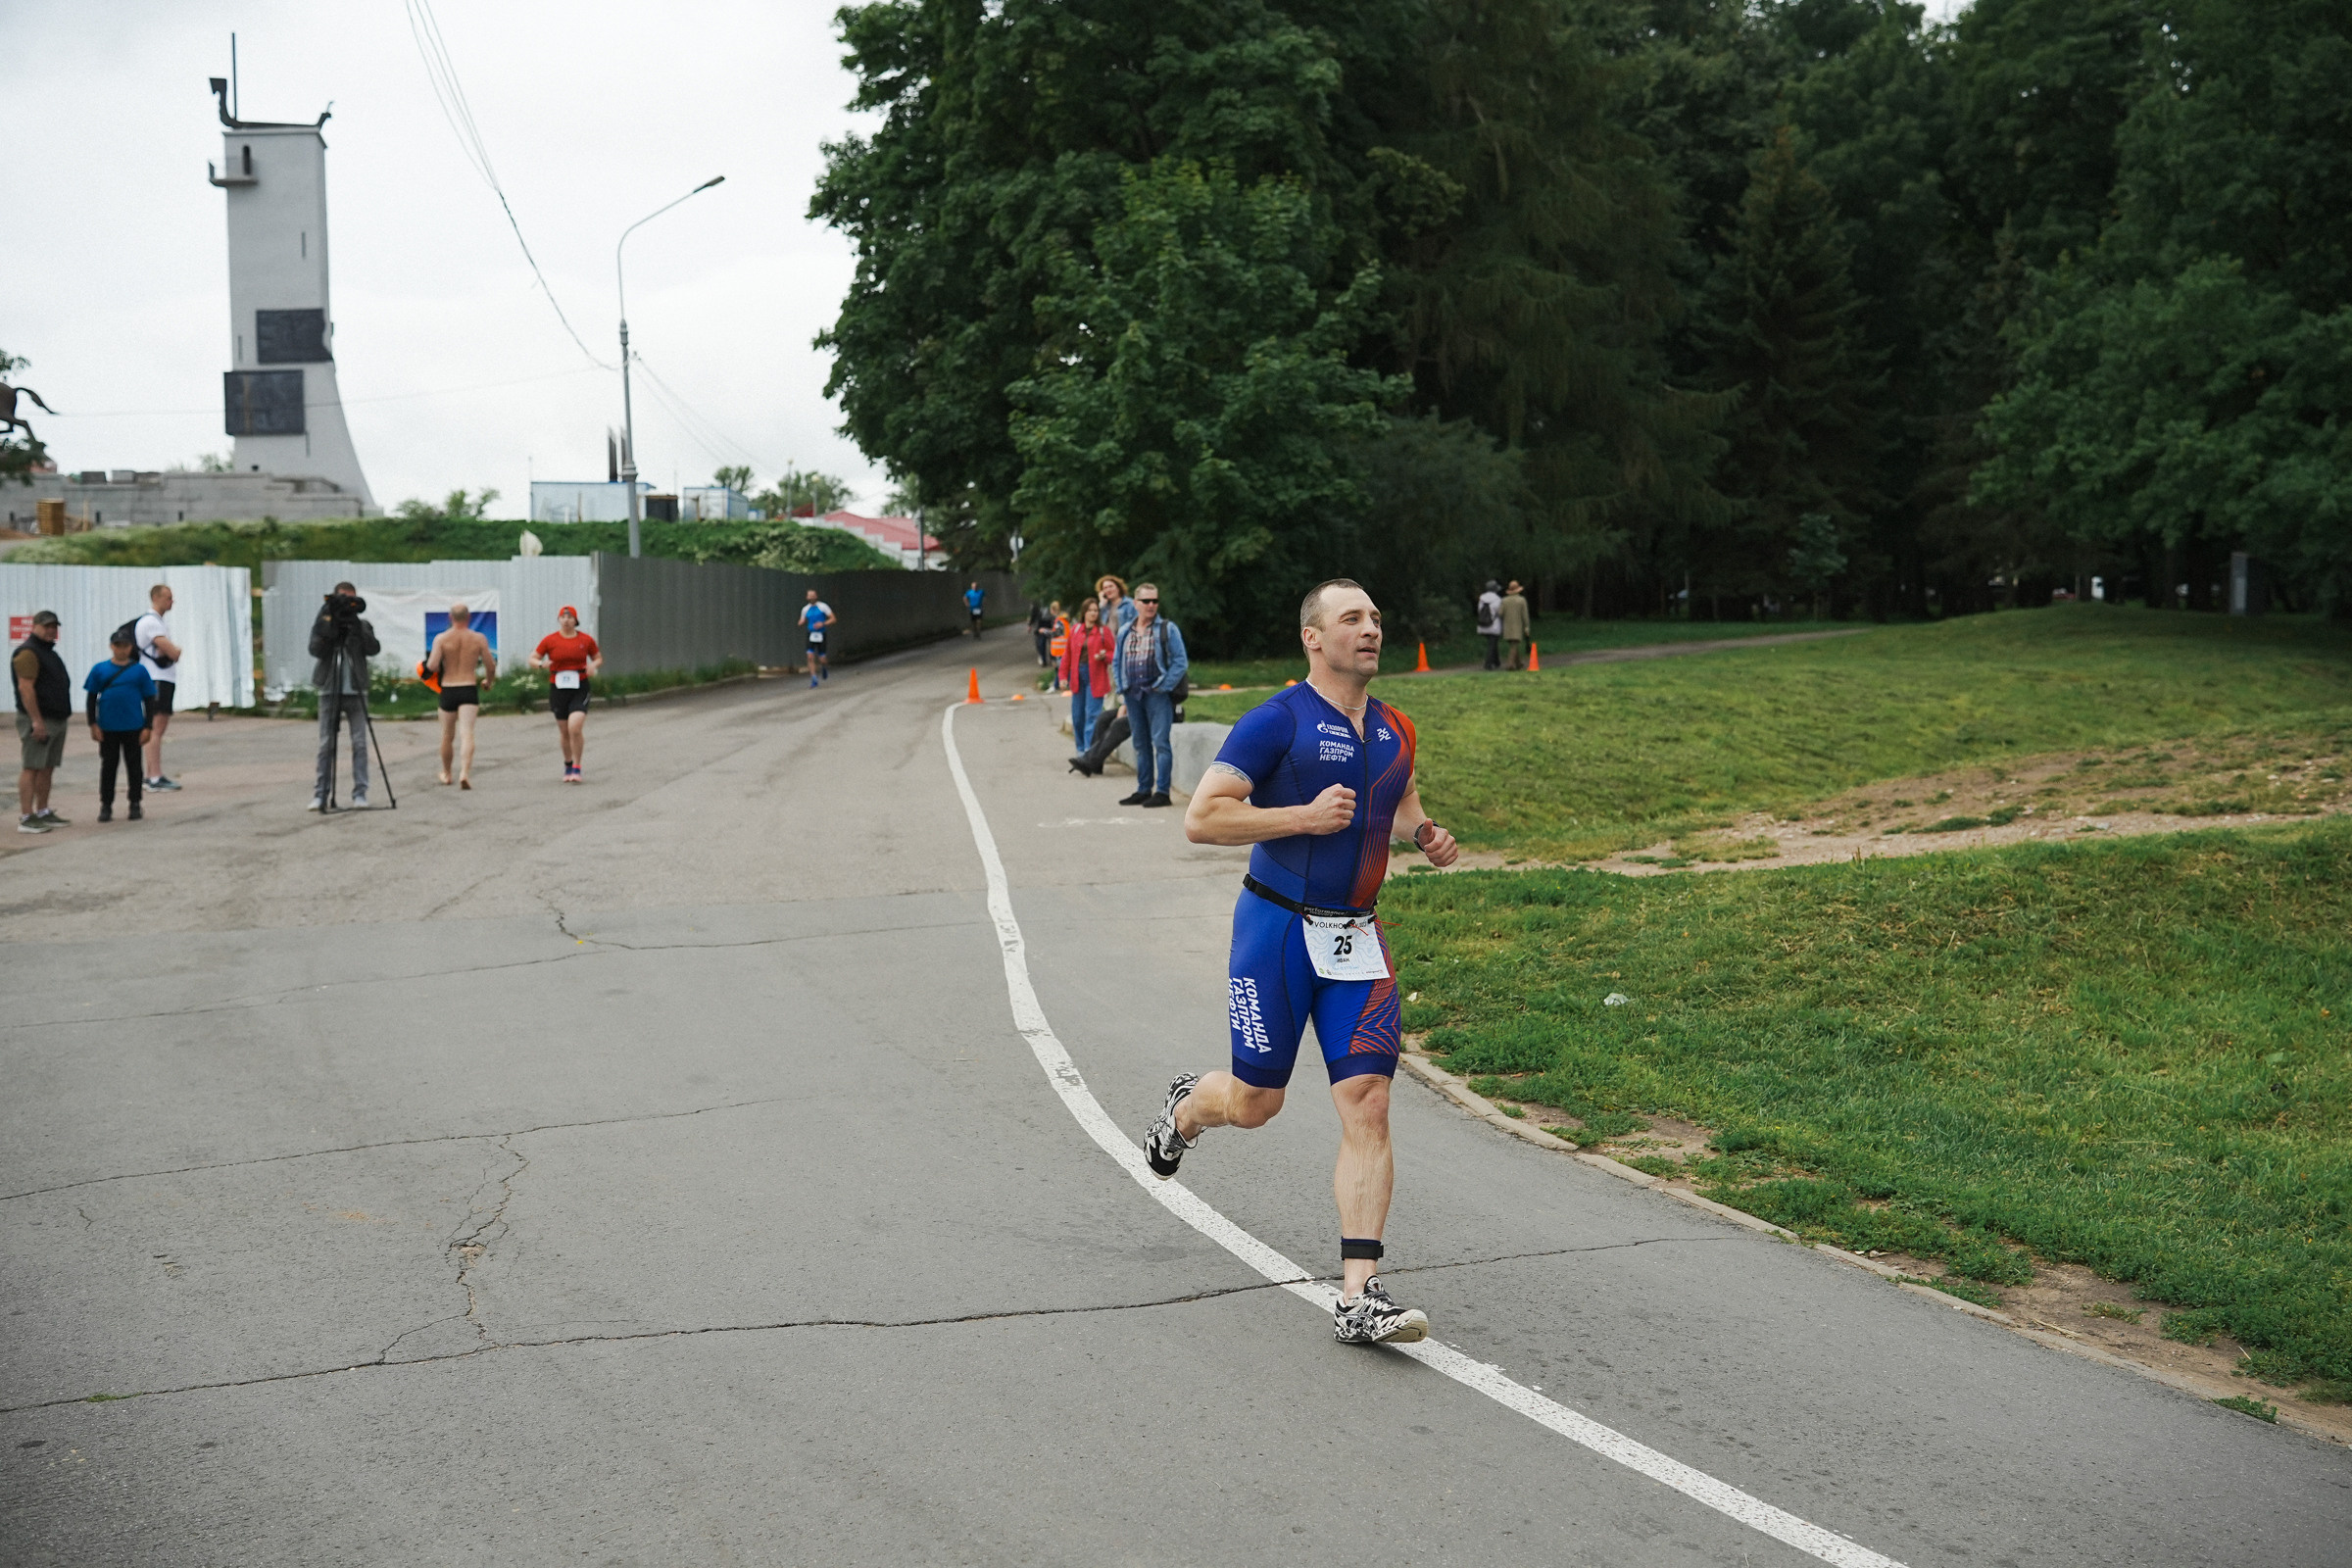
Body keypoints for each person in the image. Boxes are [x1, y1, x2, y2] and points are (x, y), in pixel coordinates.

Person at [1148, 579, 1459, 1345]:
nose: (1371, 629)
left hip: (1357, 937)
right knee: (1257, 1103)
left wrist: (1423, 833)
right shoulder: (1275, 721)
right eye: (1352, 618)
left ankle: (1359, 1294)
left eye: (1378, 618)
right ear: (1313, 638)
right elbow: (1203, 816)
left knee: (1369, 1103)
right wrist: (1303, 817)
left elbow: (1401, 793)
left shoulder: (1395, 728)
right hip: (1278, 932)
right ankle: (1191, 1106)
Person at [1111, 582, 1188, 808]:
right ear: (1136, 603)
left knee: (1160, 743)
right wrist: (1121, 688)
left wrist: (1163, 685)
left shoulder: (1167, 628)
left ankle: (1162, 792)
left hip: (1157, 694)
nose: (1151, 605)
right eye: (1146, 601)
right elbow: (1117, 661)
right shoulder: (1126, 630)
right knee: (1140, 743)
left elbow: (1180, 661)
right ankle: (1143, 789)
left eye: (1155, 600)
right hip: (1133, 694)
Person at [308, 582, 380, 810]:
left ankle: (360, 793)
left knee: (359, 743)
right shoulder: (324, 622)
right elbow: (314, 650)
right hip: (330, 687)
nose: (346, 606)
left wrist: (356, 627)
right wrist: (329, 629)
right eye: (343, 600)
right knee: (326, 744)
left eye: (351, 600)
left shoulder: (361, 624)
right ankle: (320, 794)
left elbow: (373, 648)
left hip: (356, 689)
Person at [84, 627, 157, 823]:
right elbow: (91, 698)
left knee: (134, 767)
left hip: (133, 725)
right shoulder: (100, 669)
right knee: (108, 767)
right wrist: (93, 724)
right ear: (111, 647)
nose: (121, 650)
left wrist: (148, 726)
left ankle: (135, 802)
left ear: (130, 647)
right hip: (108, 726)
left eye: (125, 646)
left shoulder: (139, 671)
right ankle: (106, 805)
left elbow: (150, 699)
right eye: (118, 646)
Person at [425, 602, 496, 789]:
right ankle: (464, 772)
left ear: (450, 617)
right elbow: (490, 665)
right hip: (468, 688)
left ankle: (447, 773)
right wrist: (488, 682)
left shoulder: (441, 638)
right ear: (469, 617)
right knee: (467, 733)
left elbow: (432, 666)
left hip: (448, 688)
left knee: (447, 735)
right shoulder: (478, 638)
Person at [14, 610, 71, 832]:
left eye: (54, 627)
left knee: (47, 767)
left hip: (56, 718)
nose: (50, 630)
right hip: (39, 720)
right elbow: (26, 688)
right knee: (32, 767)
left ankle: (43, 811)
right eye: (46, 626)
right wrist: (36, 722)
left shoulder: (48, 652)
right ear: (34, 626)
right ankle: (27, 817)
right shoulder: (28, 652)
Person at [532, 606, 602, 783]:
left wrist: (593, 666)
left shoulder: (585, 640)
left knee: (574, 727)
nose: (566, 620)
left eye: (570, 617)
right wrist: (541, 665)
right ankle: (568, 764)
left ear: (575, 621)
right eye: (563, 617)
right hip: (558, 689)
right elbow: (533, 658)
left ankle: (577, 767)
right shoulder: (550, 640)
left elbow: (598, 657)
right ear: (559, 620)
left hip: (580, 687)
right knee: (564, 731)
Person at [135, 583, 184, 793]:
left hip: (160, 678)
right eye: (168, 598)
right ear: (156, 598)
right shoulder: (151, 623)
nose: (171, 602)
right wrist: (175, 650)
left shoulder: (155, 622)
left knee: (157, 728)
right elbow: (172, 653)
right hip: (157, 679)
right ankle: (155, 776)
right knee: (156, 728)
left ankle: (151, 774)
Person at [1059, 598, 1112, 754]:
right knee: (1078, 716)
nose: (1093, 613)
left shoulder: (1103, 631)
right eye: (1090, 610)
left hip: (1096, 677)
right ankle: (1080, 749)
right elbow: (1067, 655)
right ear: (1084, 612)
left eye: (1096, 610)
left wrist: (1105, 655)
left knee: (1093, 715)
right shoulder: (1076, 630)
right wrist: (1063, 676)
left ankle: (1089, 751)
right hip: (1078, 676)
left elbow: (1113, 653)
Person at [799, 590, 835, 687]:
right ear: (807, 598)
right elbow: (802, 620)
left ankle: (824, 666)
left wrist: (823, 623)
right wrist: (801, 622)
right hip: (811, 634)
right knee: (810, 656)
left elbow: (833, 618)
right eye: (809, 596)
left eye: (813, 596)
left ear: (816, 596)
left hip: (821, 634)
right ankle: (814, 678)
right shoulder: (805, 609)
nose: (811, 598)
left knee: (822, 658)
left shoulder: (823, 606)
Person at [1499, 579, 1532, 669]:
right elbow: (1525, 615)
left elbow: (1500, 613)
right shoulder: (1521, 600)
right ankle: (1510, 664)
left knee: (1513, 645)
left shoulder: (1504, 600)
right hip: (1517, 626)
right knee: (1514, 646)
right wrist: (1527, 626)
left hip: (1507, 627)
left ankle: (1518, 664)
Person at [1095, 574, 1137, 639]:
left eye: (1111, 586)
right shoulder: (1104, 607)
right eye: (1105, 588)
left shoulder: (1130, 604)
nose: (1108, 590)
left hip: (1124, 642)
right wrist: (1101, 604)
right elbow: (1094, 624)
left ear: (1118, 588)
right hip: (1108, 645)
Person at [1476, 579, 1503, 670]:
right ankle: (1488, 663)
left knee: (1493, 643)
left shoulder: (1481, 598)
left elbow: (1479, 610)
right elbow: (1500, 612)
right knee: (1492, 644)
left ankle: (1496, 661)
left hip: (1483, 624)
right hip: (1494, 625)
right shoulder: (1498, 599)